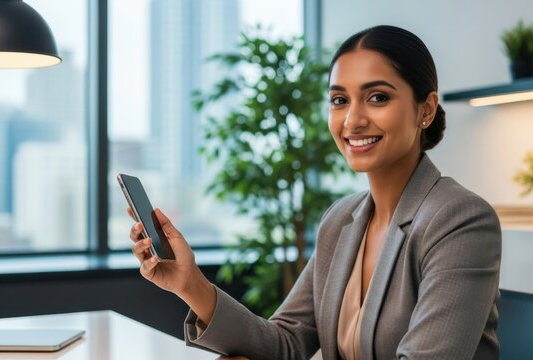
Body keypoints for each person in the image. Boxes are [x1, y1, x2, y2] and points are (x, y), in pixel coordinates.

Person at [128, 25, 501, 360]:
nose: (353, 120)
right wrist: (189, 283)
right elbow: (286, 343)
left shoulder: (461, 220)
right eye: (340, 100)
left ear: (426, 109)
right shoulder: (340, 220)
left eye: (377, 98)